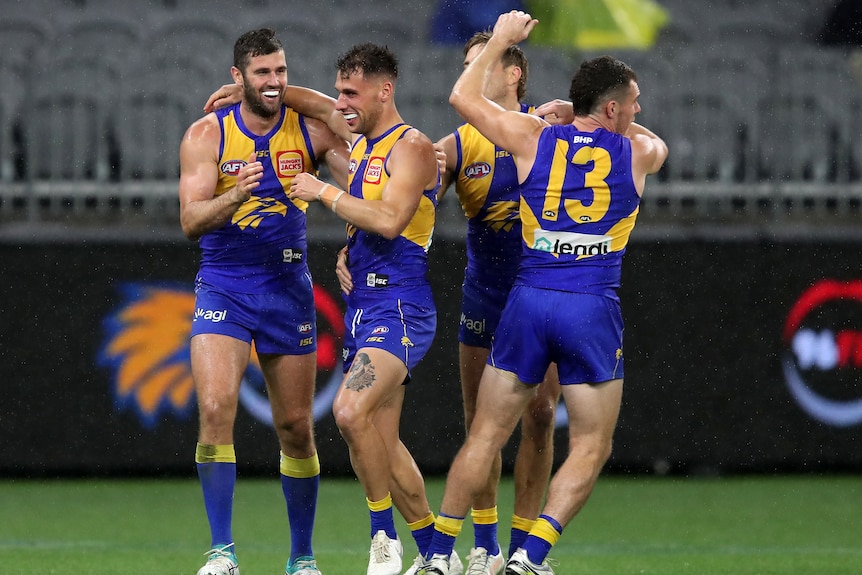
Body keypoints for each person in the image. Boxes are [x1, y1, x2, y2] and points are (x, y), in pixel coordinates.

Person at [418, 11, 669, 575]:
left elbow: (462, 97)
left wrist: (504, 41)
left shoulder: (533, 138)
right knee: (591, 444)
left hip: (528, 301)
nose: (637, 111)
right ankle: (528, 557)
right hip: (590, 306)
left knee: (484, 433)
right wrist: (582, 113)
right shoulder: (636, 154)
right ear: (611, 109)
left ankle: (437, 557)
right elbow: (656, 143)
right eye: (631, 103)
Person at [281, 43, 464, 575]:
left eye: (351, 92)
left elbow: (389, 220)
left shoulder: (414, 149)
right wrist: (260, 92)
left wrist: (322, 193)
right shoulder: (362, 146)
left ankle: (383, 538)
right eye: (340, 90)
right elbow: (315, 107)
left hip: (401, 307)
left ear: (385, 90)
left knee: (347, 410)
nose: (341, 101)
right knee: (384, 443)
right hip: (364, 306)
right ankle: (437, 555)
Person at [179, 28, 350, 575]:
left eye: (280, 71)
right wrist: (235, 194)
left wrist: (354, 242)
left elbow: (359, 155)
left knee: (297, 427)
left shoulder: (310, 131)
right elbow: (189, 221)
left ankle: (301, 558)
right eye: (262, 73)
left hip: (287, 288)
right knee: (213, 408)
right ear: (237, 78)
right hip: (225, 283)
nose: (273, 82)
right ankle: (221, 552)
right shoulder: (207, 135)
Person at [433, 31, 561, 575]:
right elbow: (405, 199)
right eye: (468, 63)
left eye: (484, 62)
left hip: (539, 295)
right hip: (483, 296)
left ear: (514, 74)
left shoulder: (551, 132)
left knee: (541, 415)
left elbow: (620, 123)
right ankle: (483, 542)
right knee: (480, 420)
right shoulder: (459, 144)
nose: (474, 70)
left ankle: (522, 551)